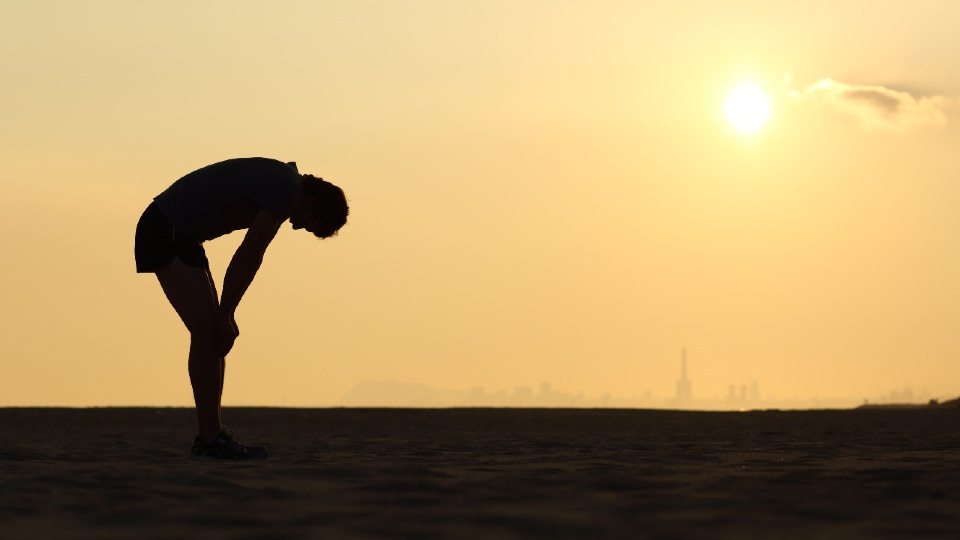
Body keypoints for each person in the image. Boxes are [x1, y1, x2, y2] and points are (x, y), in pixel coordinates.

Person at [134, 157, 348, 459]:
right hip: (165, 228)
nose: (298, 227)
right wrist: (226, 313)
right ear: (313, 200)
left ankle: (212, 436)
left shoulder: (285, 184)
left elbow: (251, 255)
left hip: (178, 233)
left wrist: (226, 313)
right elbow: (249, 254)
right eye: (309, 224)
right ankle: (209, 440)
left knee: (213, 337)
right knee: (209, 333)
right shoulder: (286, 189)